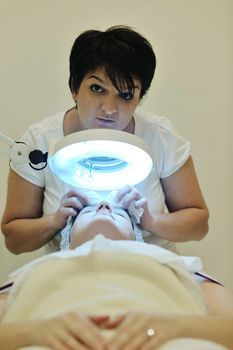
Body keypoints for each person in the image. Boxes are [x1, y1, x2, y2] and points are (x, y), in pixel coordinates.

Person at [1, 25, 209, 255]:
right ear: (74, 87)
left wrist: (150, 221)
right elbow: (14, 241)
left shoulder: (159, 136)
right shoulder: (38, 141)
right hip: (70, 275)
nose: (109, 108)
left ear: (140, 98)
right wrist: (55, 221)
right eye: (97, 88)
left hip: (152, 272)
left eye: (126, 94)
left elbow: (198, 225)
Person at [0, 204, 232, 350]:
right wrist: (33, 332)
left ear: (137, 236)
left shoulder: (182, 266)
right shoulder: (30, 271)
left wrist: (176, 327)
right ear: (66, 237)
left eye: (120, 212)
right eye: (88, 210)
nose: (103, 206)